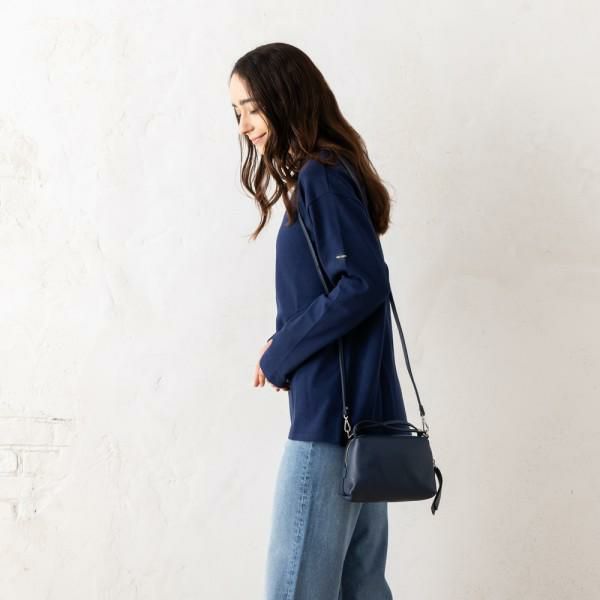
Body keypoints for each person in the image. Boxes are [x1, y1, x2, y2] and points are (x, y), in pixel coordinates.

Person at [229, 42, 407, 600]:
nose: (245, 126)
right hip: (362, 425)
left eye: (253, 108)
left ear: (287, 98)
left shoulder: (321, 177)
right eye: (237, 113)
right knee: (361, 589)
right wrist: (284, 341)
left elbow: (362, 283)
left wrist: (283, 352)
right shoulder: (330, 173)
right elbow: (345, 289)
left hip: (331, 422)